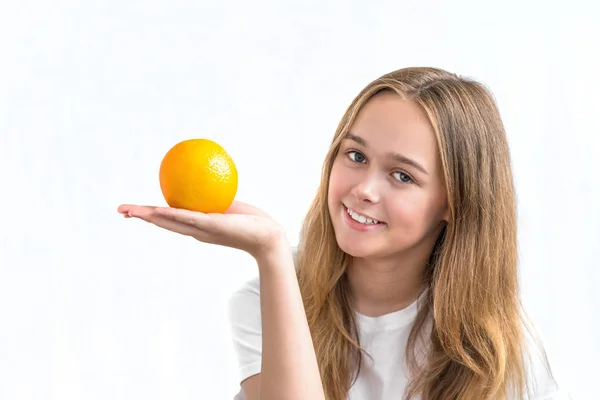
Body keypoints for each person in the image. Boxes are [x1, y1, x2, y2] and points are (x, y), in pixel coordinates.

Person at [118, 67, 567, 400]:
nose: (364, 189)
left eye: (402, 176)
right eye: (355, 156)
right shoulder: (262, 301)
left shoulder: (500, 347)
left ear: (453, 203)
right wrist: (272, 254)